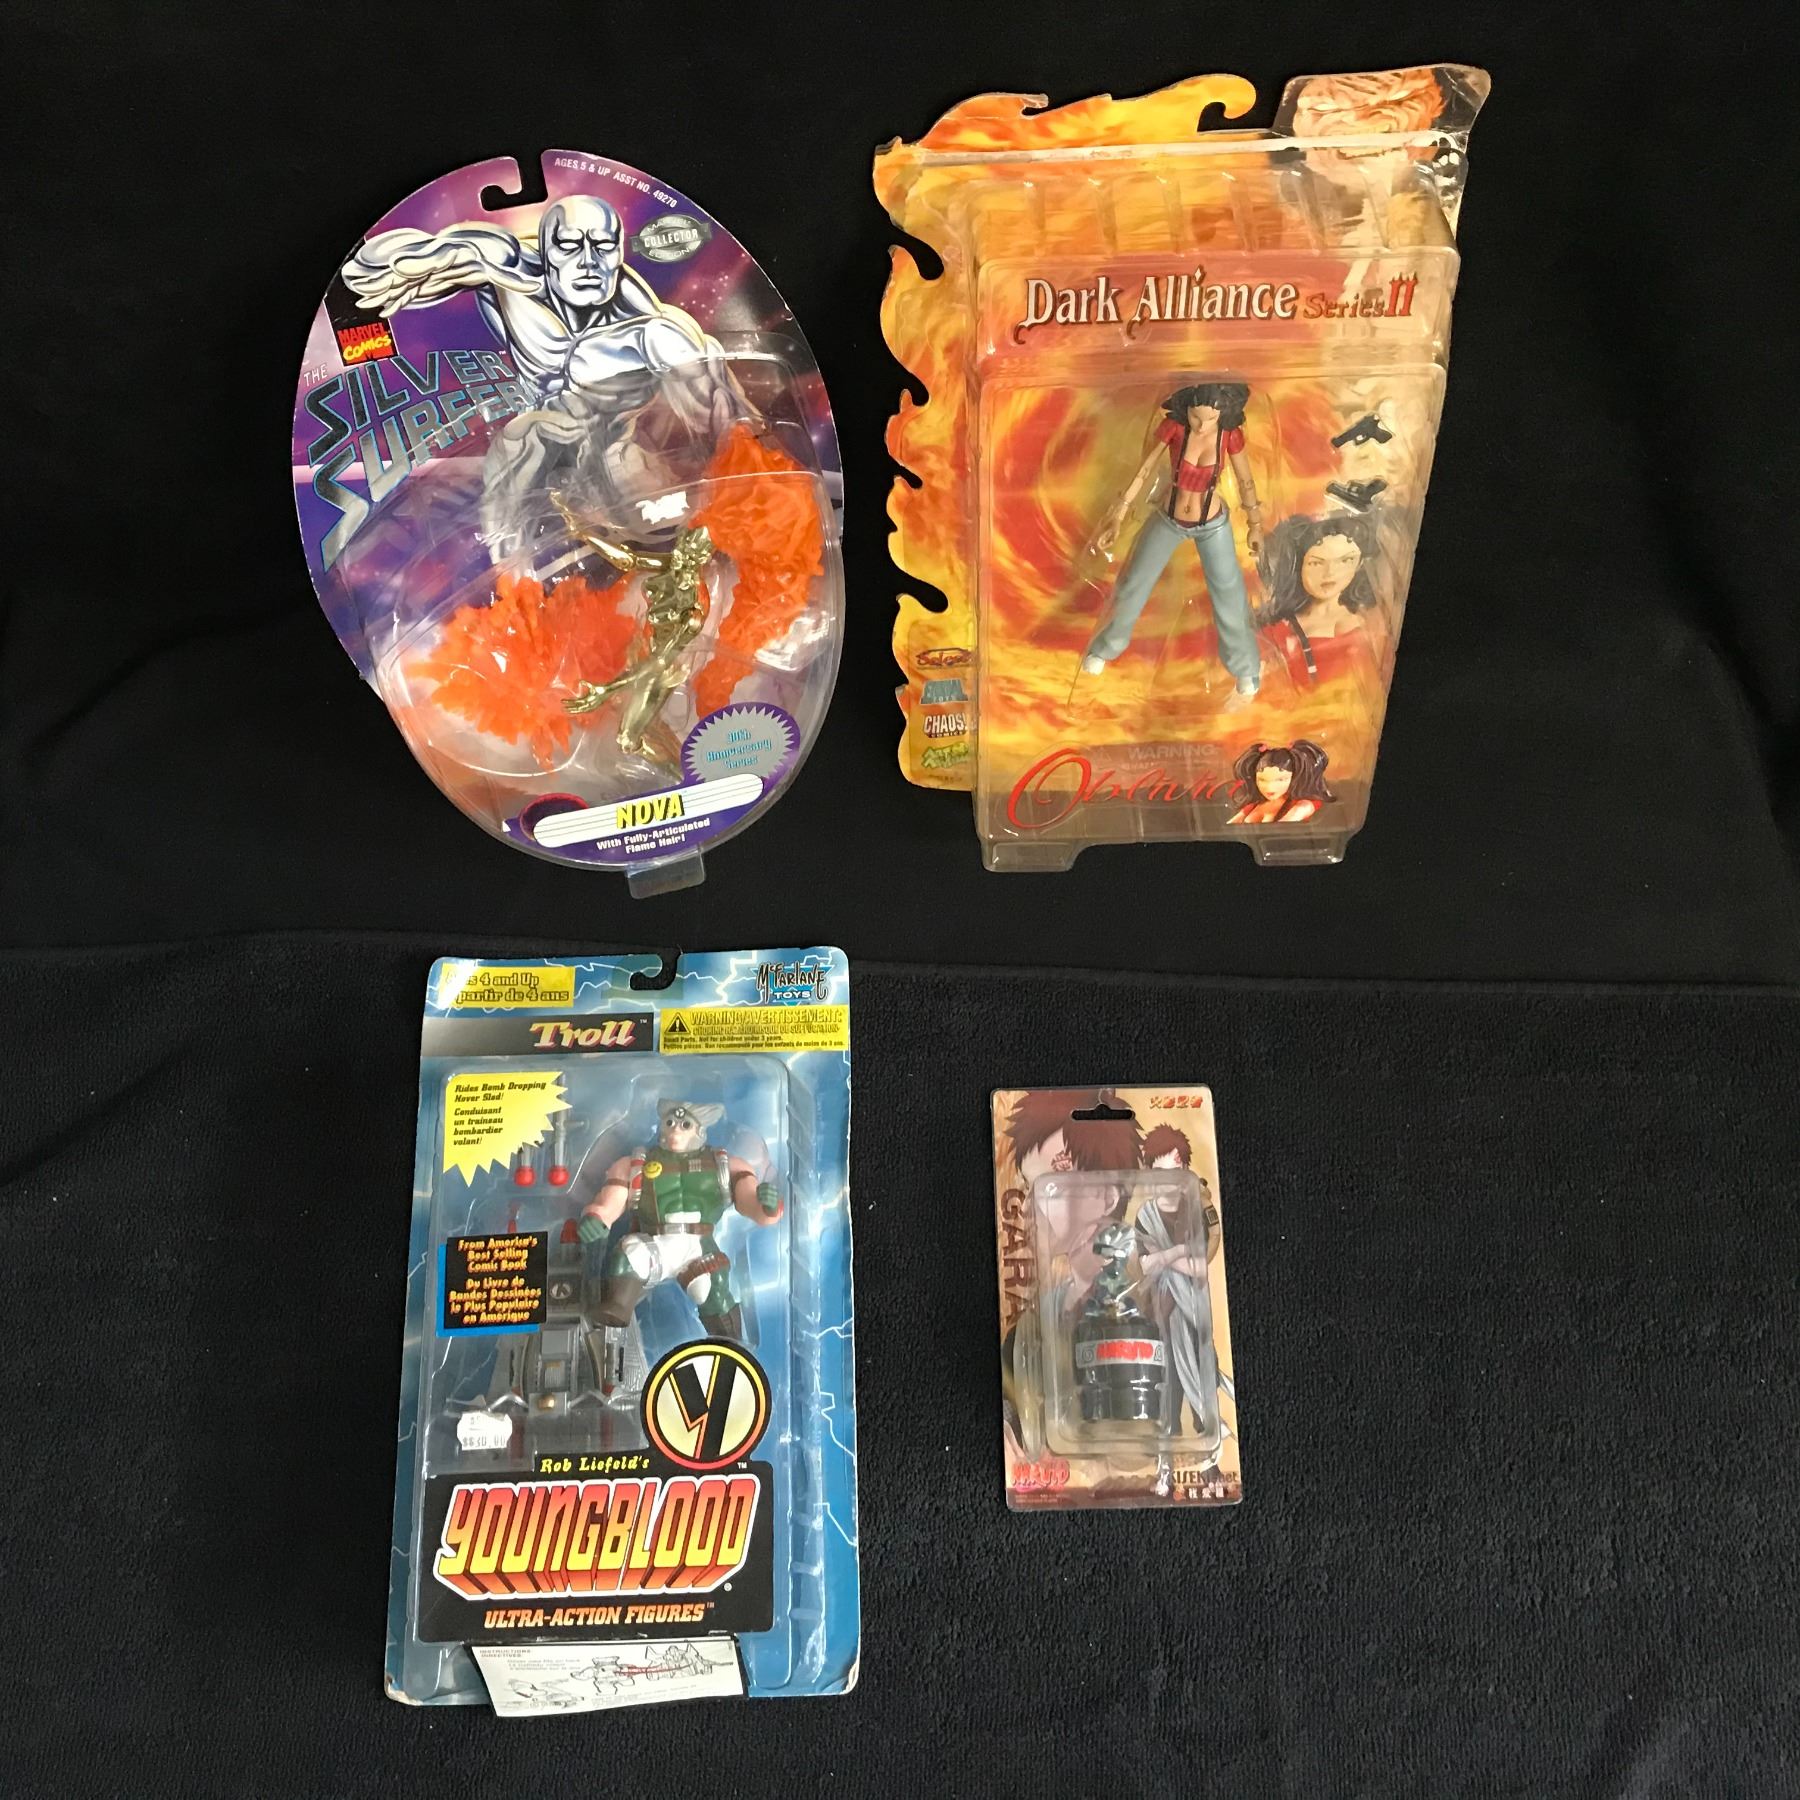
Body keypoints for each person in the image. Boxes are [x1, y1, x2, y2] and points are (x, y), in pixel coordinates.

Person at [1081, 382, 1265, 695]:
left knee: (1229, 595)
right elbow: (1143, 471)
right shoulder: (1175, 429)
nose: (1201, 426)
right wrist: (1118, 515)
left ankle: (1245, 668)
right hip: (1168, 518)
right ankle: (1104, 648)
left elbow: (1246, 481)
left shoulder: (1229, 436)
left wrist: (1255, 524)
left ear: (1222, 415)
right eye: (1195, 417)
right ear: (1186, 410)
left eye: (1210, 419)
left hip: (1212, 524)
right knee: (1133, 583)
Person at [1255, 511, 1382, 682]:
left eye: (1346, 560)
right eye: (1316, 563)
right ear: (1297, 566)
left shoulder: (1371, 621)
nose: (1330, 573)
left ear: (1359, 564)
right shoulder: (1277, 629)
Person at [1227, 741, 1335, 825]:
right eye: (1262, 780)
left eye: (1280, 780)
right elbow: (1230, 827)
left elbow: (1280, 831)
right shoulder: (1253, 805)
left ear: (1294, 778)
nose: (1269, 787)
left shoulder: (1303, 805)